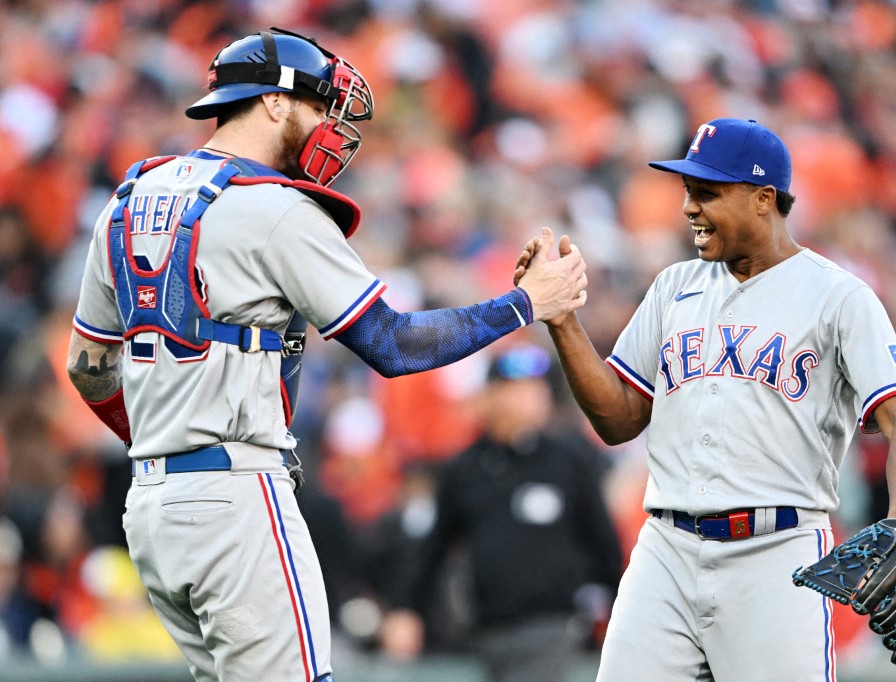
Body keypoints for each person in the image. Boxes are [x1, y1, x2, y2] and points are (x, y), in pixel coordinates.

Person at [64, 27, 587, 682]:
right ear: (275, 103)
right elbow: (393, 345)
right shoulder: (274, 207)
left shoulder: (127, 198)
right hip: (236, 495)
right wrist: (522, 304)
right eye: (318, 106)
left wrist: (166, 442)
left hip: (152, 507)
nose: (327, 129)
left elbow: (87, 368)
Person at [514, 117, 896, 680]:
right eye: (688, 191)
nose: (689, 206)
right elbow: (618, 419)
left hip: (776, 554)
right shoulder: (673, 286)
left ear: (764, 199)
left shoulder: (838, 296)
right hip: (665, 547)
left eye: (707, 193)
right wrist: (563, 322)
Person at [378, 343, 623, 681]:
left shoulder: (568, 463)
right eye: (516, 390)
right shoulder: (463, 471)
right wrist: (405, 608)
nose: (530, 399)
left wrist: (623, 610)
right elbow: (431, 548)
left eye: (536, 390)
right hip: (486, 630)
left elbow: (603, 543)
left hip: (553, 627)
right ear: (489, 396)